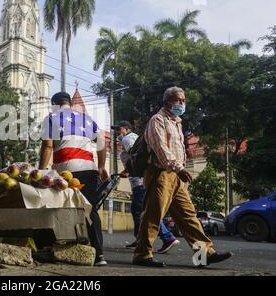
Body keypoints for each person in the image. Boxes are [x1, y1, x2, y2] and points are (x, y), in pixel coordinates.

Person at [133, 86, 232, 267]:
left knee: (189, 218)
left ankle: (204, 256)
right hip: (161, 174)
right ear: (166, 101)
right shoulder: (158, 120)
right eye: (178, 100)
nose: (182, 103)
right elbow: (161, 149)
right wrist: (178, 168)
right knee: (153, 215)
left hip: (176, 176)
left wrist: (179, 169)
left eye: (184, 100)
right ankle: (142, 255)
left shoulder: (177, 122)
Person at [39, 92, 109, 266]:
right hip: (89, 169)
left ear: (54, 104)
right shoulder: (86, 118)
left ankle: (54, 248)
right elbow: (101, 144)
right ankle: (99, 255)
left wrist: (41, 171)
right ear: (69, 103)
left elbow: (48, 146)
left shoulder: (51, 117)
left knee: (60, 207)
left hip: (67, 172)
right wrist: (101, 166)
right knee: (89, 209)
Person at [113, 120, 180, 253]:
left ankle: (166, 237)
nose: (116, 133)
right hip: (143, 180)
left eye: (118, 130)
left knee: (141, 212)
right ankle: (142, 239)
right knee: (143, 211)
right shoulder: (134, 138)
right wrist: (126, 171)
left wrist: (131, 170)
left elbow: (136, 157)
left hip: (139, 184)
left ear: (126, 129)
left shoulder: (127, 139)